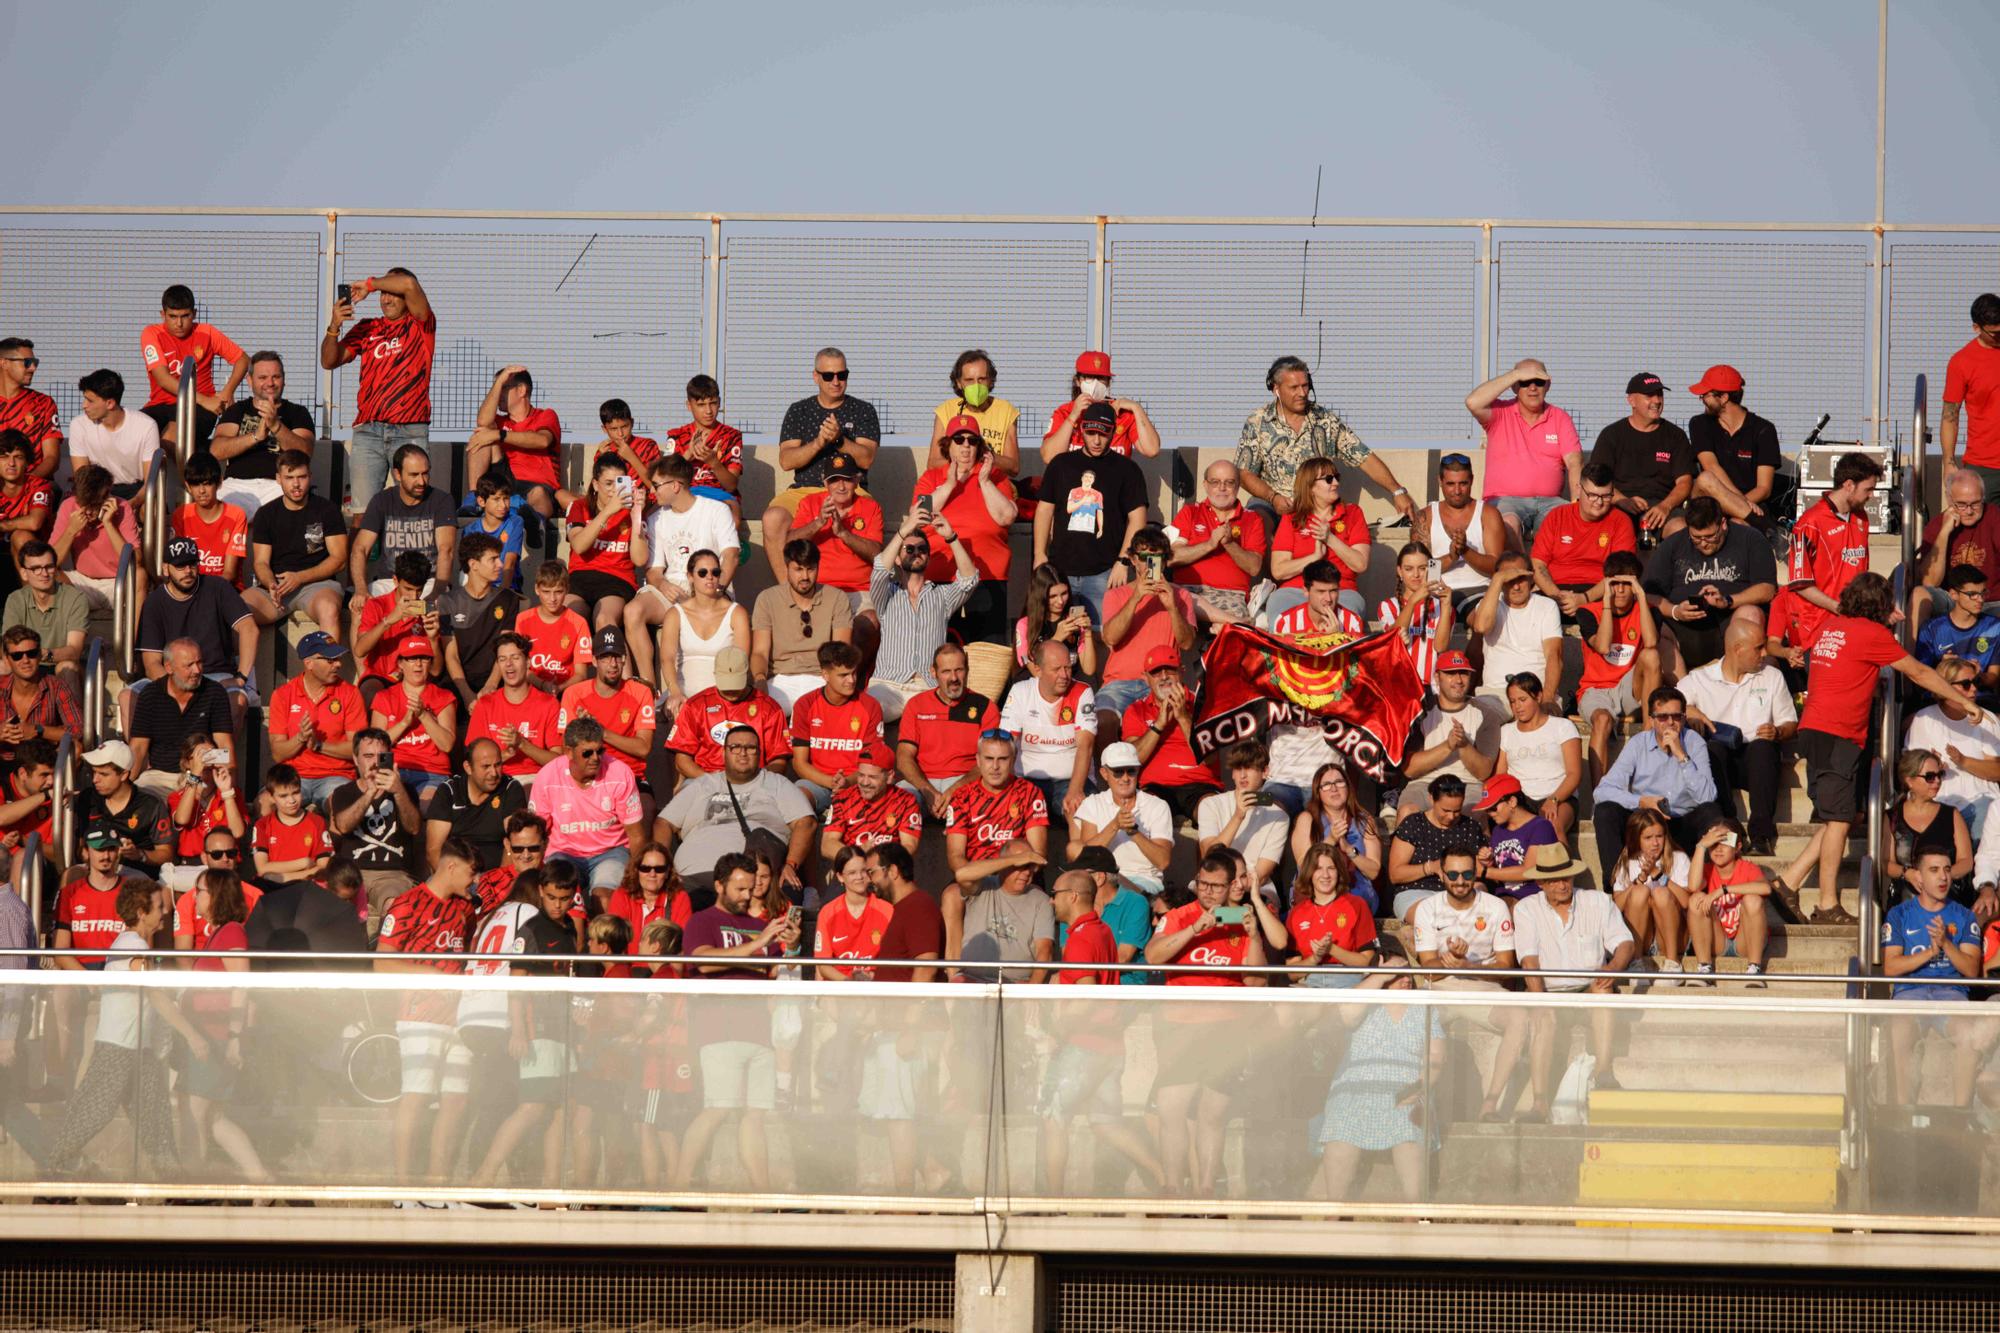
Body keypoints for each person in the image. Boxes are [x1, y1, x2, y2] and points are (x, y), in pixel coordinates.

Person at [1775, 573, 1974, 925]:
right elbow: (1917, 672)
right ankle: (1827, 904)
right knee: (1838, 820)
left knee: (1841, 816)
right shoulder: (1871, 634)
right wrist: (1963, 700)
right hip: (1839, 735)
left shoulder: (1829, 627)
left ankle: (1788, 882)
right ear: (1880, 608)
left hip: (1814, 730)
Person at [1144, 850, 1276, 1196]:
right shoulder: (1178, 916)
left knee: (1212, 1113)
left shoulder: (1241, 918)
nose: (1208, 892)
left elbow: (1257, 982)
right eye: (1203, 884)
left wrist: (1253, 936)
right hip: (1180, 1027)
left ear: (1231, 885)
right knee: (1171, 1107)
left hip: (1226, 1029)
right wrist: (1193, 930)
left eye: (1216, 886)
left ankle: (1205, 1190)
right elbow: (1153, 956)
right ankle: (1173, 1188)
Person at [674, 852, 798, 1192]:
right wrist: (757, 946)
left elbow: (774, 972)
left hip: (758, 1030)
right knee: (717, 1109)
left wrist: (793, 946)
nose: (748, 895)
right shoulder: (702, 920)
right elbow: (702, 962)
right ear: (719, 885)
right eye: (740, 888)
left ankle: (763, 1192)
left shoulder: (760, 926)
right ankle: (679, 1187)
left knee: (756, 1114)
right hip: (718, 1031)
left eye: (751, 887)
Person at [47, 879, 187, 1179]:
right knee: (93, 1111)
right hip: (119, 1046)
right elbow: (155, 996)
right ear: (141, 912)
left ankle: (176, 1183)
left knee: (154, 1117)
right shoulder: (134, 948)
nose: (164, 913)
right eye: (159, 907)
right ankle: (56, 1172)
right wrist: (192, 1034)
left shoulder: (135, 946)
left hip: (140, 1048)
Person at [1039, 867, 1166, 1194]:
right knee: (1106, 1122)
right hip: (1109, 1047)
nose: (1051, 901)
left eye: (1055, 894)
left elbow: (1087, 995)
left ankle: (1053, 1201)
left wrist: (1058, 1027)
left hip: (1084, 1046)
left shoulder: (1081, 938)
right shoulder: (1103, 931)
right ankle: (1166, 1179)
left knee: (1054, 1119)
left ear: (1073, 896)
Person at [374, 836, 477, 1193]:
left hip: (458, 1016)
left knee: (455, 1100)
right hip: (419, 1014)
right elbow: (381, 964)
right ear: (450, 866)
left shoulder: (466, 909)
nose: (473, 880)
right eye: (470, 872)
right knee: (416, 1097)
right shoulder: (408, 904)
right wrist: (430, 975)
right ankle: (403, 1189)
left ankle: (437, 1186)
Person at [1312, 943, 1444, 1203]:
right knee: (1342, 1120)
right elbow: (1344, 1014)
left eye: (1406, 972)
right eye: (1396, 974)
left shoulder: (1425, 1008)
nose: (1405, 979)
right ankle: (1334, 1209)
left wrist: (1419, 1087)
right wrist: (1380, 977)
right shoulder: (1364, 1002)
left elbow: (1436, 1057)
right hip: (1355, 1085)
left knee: (1410, 1120)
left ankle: (1413, 1210)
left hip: (1407, 1086)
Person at [1509, 845, 1635, 1110]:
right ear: (1541, 883)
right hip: (1551, 993)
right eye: (1554, 879)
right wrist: (1540, 1001)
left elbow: (1625, 943)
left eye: (1565, 876)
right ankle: (1540, 1101)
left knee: (1602, 989)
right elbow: (1529, 961)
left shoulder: (1598, 901)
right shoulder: (1526, 909)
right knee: (1544, 1017)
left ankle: (1603, 1072)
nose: (1562, 884)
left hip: (1589, 990)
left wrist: (1612, 969)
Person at [1236, 354, 1415, 527]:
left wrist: (1397, 491)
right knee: (1257, 522)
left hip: (1317, 504)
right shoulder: (1257, 421)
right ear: (1276, 389)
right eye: (1294, 387)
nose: (1302, 393)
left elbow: (1364, 457)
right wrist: (1273, 498)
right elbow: (1244, 474)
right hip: (1271, 503)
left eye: (1305, 386)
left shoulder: (1325, 420)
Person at [1678, 618, 1800, 856]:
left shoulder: (1772, 676)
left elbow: (1790, 722)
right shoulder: (1700, 678)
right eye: (1758, 648)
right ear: (1737, 649)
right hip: (1719, 761)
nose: (1764, 653)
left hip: (1758, 762)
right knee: (1713, 749)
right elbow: (1667, 705)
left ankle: (1761, 835)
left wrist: (1778, 732)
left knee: (1763, 747)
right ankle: (1729, 825)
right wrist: (1692, 712)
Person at [760, 347, 882, 584]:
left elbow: (867, 459)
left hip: (850, 488)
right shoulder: (799, 410)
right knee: (772, 518)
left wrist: (838, 439)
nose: (836, 381)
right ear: (816, 376)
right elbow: (786, 460)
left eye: (841, 375)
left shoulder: (863, 410)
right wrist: (818, 442)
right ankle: (790, 592)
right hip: (805, 490)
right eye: (828, 376)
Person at [323, 269, 436, 518]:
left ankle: (412, 559)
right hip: (368, 432)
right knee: (363, 514)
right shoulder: (368, 328)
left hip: (409, 429)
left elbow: (408, 283)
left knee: (415, 511)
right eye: (383, 294)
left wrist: (370, 284)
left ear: (407, 297)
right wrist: (334, 326)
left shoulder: (421, 323)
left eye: (392, 293)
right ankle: (361, 558)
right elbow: (329, 361)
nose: (385, 299)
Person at [1590, 687, 1722, 888]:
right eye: (1663, 717)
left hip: (1681, 823)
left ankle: (1708, 885)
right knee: (1605, 811)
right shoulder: (1638, 744)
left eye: (1676, 716)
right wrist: (1641, 802)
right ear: (1651, 720)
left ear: (1684, 718)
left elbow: (1708, 796)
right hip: (1645, 825)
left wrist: (1682, 756)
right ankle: (1615, 887)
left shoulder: (1694, 743)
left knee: (1711, 812)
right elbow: (1602, 791)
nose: (1670, 722)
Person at [1883, 848, 1986, 1105]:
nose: (1943, 877)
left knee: (1969, 1038)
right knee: (1899, 1032)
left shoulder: (1964, 915)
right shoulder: (1899, 914)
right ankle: (1904, 1111)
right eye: (1934, 870)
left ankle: (1960, 1114)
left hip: (1950, 993)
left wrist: (1946, 944)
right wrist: (1931, 951)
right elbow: (1891, 968)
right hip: (1910, 992)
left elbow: (1971, 969)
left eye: (1947, 870)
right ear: (1918, 876)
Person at [1033, 400, 1148, 625]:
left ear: (1114, 432)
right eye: (1091, 432)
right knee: (1056, 637)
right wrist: (1040, 555)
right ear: (1081, 428)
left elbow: (1138, 518)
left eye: (1103, 434)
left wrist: (1123, 561)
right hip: (1060, 571)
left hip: (1104, 572)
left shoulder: (1127, 469)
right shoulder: (1061, 464)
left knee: (1102, 635)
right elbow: (1045, 510)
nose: (1096, 440)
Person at [629, 456, 738, 687]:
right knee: (632, 611)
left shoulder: (716, 510)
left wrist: (715, 591)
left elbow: (730, 556)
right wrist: (663, 585)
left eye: (656, 485)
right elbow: (653, 570)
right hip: (672, 588)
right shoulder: (656, 518)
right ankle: (648, 689)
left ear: (675, 485)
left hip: (709, 584)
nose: (652, 491)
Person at [911, 418, 1018, 644]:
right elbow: (918, 516)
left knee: (986, 648)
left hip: (987, 575)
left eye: (972, 440)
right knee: (937, 645)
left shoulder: (994, 476)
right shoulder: (931, 477)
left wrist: (985, 481)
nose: (966, 446)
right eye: (959, 440)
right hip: (941, 575)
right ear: (948, 445)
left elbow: (1006, 516)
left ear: (979, 446)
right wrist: (950, 484)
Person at [1644, 496, 1779, 674]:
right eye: (1696, 538)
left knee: (1751, 613)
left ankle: (1736, 684)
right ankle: (1683, 690)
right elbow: (1647, 593)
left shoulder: (1750, 539)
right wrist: (1675, 611)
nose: (1703, 543)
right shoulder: (1674, 543)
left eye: (1709, 536)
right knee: (1653, 623)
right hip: (1683, 627)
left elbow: (1767, 589)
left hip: (1730, 622)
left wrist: (1728, 600)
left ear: (1723, 523)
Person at [867, 508, 978, 722]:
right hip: (888, 685)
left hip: (927, 685)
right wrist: (904, 530)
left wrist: (951, 537)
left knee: (945, 721)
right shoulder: (887, 594)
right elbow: (880, 569)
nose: (916, 552)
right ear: (898, 559)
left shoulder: (942, 596)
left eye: (922, 549)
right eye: (909, 549)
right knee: (868, 713)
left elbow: (969, 579)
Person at [1465, 358, 1582, 547]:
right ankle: (1524, 574)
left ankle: (1547, 575)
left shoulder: (1560, 418)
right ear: (1514, 386)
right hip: (1504, 501)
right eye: (1525, 382)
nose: (1532, 387)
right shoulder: (1500, 413)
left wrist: (1576, 504)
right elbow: (1472, 402)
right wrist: (1516, 375)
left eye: (1538, 381)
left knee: (1566, 522)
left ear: (1548, 385)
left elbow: (1575, 463)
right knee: (1508, 524)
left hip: (1549, 502)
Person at [532, 717, 647, 896]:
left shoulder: (620, 772)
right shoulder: (547, 777)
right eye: (587, 753)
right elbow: (536, 831)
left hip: (611, 852)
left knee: (604, 896)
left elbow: (636, 835)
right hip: (564, 852)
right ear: (568, 752)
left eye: (600, 751)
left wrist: (635, 876)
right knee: (558, 893)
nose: (596, 758)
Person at [1097, 526, 1198, 722]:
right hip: (1121, 683)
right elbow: (1110, 638)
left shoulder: (1181, 596)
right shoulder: (1116, 595)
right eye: (1145, 558)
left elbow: (1186, 644)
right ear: (1134, 560)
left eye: (1158, 559)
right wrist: (1136, 598)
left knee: (1188, 720)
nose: (1151, 564)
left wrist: (1172, 608)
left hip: (1163, 681)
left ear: (1165, 562)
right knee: (1103, 720)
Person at [249, 450, 348, 641]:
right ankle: (239, 671)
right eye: (289, 477)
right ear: (278, 479)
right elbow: (261, 562)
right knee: (238, 611)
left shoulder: (327, 510)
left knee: (329, 609)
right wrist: (270, 583)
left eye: (301, 477)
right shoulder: (266, 513)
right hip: (276, 587)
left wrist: (299, 577)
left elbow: (339, 560)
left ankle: (327, 667)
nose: (296, 484)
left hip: (317, 585)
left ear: (310, 476)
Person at [1576, 554, 1660, 779]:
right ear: (1606, 584)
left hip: (1629, 688)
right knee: (1602, 720)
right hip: (1596, 689)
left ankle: (1647, 737)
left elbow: (1651, 643)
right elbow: (1603, 646)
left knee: (1651, 656)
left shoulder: (1649, 610)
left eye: (1627, 584)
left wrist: (1641, 597)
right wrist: (1606, 604)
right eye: (1615, 583)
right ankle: (1599, 799)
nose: (1621, 590)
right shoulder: (1587, 612)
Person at [327, 729, 422, 929]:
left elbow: (414, 828)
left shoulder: (405, 791)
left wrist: (397, 791)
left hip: (392, 874)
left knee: (393, 906)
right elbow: (343, 825)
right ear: (355, 759)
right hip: (351, 873)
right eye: (368, 756)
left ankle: (384, 954)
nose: (374, 763)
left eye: (381, 757)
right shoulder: (343, 792)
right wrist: (370, 792)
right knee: (333, 906)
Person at [1000, 639, 1097, 829]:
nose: (1064, 675)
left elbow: (1086, 746)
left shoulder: (1082, 691)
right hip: (1026, 780)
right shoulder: (1021, 692)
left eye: (1068, 668)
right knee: (1010, 813)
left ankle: (1083, 858)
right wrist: (1006, 789)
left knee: (1080, 812)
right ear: (1038, 670)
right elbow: (1006, 744)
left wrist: (1075, 791)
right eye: (1056, 669)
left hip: (1071, 779)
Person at [1587, 372, 1695, 540]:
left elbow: (1684, 481)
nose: (1657, 401)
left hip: (1662, 507)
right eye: (1649, 395)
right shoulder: (1612, 435)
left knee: (1681, 529)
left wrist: (1665, 507)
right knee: (1608, 533)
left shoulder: (1676, 436)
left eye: (1659, 394)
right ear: (1631, 400)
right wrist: (1623, 501)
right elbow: (1597, 480)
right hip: (1620, 506)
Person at [209, 351, 315, 521]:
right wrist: (255, 437)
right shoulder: (237, 410)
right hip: (237, 485)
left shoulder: (297, 412)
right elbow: (217, 450)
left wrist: (276, 426)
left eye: (276, 377)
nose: (270, 383)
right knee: (217, 513)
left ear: (284, 379)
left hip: (280, 485)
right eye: (263, 377)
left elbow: (305, 452)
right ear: (250, 381)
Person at [750, 539, 854, 713]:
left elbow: (841, 653)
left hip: (822, 678)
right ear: (787, 567)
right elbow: (760, 652)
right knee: (757, 711)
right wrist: (760, 680)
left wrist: (833, 685)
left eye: (810, 569)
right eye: (798, 569)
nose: (805, 577)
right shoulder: (767, 599)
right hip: (780, 679)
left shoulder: (836, 598)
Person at [894, 643, 998, 815]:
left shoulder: (985, 707)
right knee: (895, 805)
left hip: (964, 782)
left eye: (959, 670)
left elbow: (988, 761)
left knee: (983, 804)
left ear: (968, 669)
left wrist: (955, 789)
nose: (954, 678)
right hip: (922, 782)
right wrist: (927, 790)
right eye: (946, 671)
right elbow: (904, 756)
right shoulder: (916, 705)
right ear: (933, 672)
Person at [266, 631, 366, 807]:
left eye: (338, 659)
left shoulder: (350, 693)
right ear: (309, 663)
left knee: (342, 806)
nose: (338, 664)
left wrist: (319, 745)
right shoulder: (282, 695)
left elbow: (358, 748)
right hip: (292, 776)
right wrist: (300, 738)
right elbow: (277, 753)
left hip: (336, 775)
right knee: (266, 804)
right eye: (330, 660)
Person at [1124, 645, 1221, 825]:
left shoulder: (1204, 704)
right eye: (1156, 673)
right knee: (1147, 814)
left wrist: (1183, 716)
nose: (1164, 677)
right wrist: (1159, 724)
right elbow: (1131, 759)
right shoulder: (1136, 710)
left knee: (1212, 815)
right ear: (1146, 679)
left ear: (1182, 672)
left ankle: (1212, 853)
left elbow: (1210, 757)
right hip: (1155, 787)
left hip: (1201, 785)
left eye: (1170, 670)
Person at [1268, 457, 1372, 623]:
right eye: (1329, 479)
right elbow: (1278, 571)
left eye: (1337, 477)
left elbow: (1360, 564)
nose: (1336, 483)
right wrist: (1314, 557)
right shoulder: (1292, 518)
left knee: (1344, 622)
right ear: (1310, 487)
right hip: (1297, 590)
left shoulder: (1352, 513)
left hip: (1340, 591)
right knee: (1280, 611)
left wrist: (1330, 539)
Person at [664, 646, 790, 783]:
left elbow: (779, 760)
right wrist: (712, 781)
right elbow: (682, 760)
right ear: (715, 674)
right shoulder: (696, 705)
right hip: (704, 779)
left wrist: (755, 782)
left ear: (747, 674)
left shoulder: (769, 708)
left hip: (755, 781)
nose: (731, 691)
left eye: (736, 684)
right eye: (726, 685)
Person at [1395, 650, 1499, 816]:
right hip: (1424, 783)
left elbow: (1484, 772)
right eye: (1451, 673)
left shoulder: (1486, 714)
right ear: (1437, 677)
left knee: (1473, 814)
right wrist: (1448, 746)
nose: (1458, 680)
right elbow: (1409, 769)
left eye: (1464, 673)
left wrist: (1464, 745)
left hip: (1468, 785)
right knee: (1408, 811)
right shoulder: (1420, 711)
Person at [1067, 742, 1174, 899]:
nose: (1125, 778)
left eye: (1131, 771)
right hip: (1102, 880)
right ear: (1104, 773)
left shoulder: (1157, 806)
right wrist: (1115, 825)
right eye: (1118, 772)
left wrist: (1133, 832)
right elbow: (1087, 856)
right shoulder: (1093, 804)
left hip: (1144, 882)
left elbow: (1163, 861)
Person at [556, 627, 657, 793]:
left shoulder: (641, 692)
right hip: (588, 777)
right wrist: (583, 732)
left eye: (617, 657)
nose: (613, 664)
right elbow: (566, 749)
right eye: (605, 658)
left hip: (630, 776)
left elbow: (643, 748)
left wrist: (600, 731)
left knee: (648, 809)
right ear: (594, 661)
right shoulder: (574, 694)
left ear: (625, 660)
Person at [130, 639, 235, 799]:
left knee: (195, 801)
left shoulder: (214, 693)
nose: (197, 670)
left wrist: (229, 788)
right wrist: (126, 787)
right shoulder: (150, 695)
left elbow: (225, 746)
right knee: (140, 798)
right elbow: (138, 748)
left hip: (201, 773)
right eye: (189, 665)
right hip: (159, 776)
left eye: (199, 662)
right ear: (169, 668)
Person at [788, 641, 886, 812]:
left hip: (859, 782)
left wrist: (847, 782)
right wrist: (831, 781)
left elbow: (874, 762)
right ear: (825, 674)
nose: (852, 680)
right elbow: (799, 763)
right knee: (796, 801)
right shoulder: (805, 705)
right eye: (844, 675)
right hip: (816, 782)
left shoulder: (870, 706)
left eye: (854, 673)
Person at [944, 731, 1052, 885]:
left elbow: (1038, 854)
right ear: (978, 760)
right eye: (989, 759)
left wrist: (1011, 877)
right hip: (977, 878)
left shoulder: (1030, 792)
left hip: (1019, 876)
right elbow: (955, 857)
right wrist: (978, 874)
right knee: (951, 897)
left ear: (1013, 760)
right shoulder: (962, 797)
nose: (995, 766)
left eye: (1002, 759)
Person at [350, 442, 456, 597]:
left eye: (425, 473)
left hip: (428, 581)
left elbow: (446, 550)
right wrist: (360, 590)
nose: (422, 481)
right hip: (389, 581)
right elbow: (360, 548)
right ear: (397, 474)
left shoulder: (442, 500)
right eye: (414, 475)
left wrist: (436, 593)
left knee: (426, 612)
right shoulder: (382, 500)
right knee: (360, 608)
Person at [656, 547, 749, 720]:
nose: (710, 577)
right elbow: (667, 658)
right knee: (679, 710)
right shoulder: (675, 614)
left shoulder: (737, 613)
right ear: (690, 576)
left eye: (715, 572)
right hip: (683, 693)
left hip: (725, 693)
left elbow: (740, 660)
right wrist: (675, 692)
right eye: (702, 572)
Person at [945, 836, 1055, 983]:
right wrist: (1013, 860)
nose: (1027, 872)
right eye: (1020, 866)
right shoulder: (982, 886)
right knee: (958, 983)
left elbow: (1045, 951)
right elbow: (961, 874)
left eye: (1029, 866)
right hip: (972, 979)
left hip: (1017, 984)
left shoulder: (1041, 900)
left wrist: (1031, 991)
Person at [1530, 464, 1636, 615]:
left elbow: (1621, 572)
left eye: (1606, 496)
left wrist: (1584, 598)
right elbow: (1538, 565)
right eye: (1592, 495)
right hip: (1556, 590)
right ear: (1579, 489)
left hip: (1599, 592)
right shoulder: (1557, 516)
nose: (1599, 502)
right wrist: (1559, 597)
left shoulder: (1621, 521)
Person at [1169, 459, 1264, 625]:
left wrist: (1229, 544)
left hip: (1231, 595)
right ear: (1205, 485)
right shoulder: (1189, 512)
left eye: (1229, 482)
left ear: (1238, 485)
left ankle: (1224, 623)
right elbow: (1170, 558)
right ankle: (1232, 622)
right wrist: (1210, 544)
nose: (1222, 488)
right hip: (1188, 590)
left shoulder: (1252, 518)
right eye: (1215, 482)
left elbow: (1254, 567)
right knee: (1173, 600)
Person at [1687, 365, 1785, 524]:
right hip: (1712, 501)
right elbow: (1711, 466)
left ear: (1724, 397)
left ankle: (1772, 537)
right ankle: (1765, 529)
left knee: (1739, 526)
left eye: (1705, 395)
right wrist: (1740, 503)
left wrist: (1738, 508)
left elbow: (1764, 488)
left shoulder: (1764, 430)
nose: (1702, 399)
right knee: (1705, 479)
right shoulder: (1699, 424)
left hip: (1750, 503)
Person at [466, 633, 563, 793]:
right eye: (502, 659)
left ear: (528, 662)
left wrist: (522, 744)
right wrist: (503, 755)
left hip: (537, 779)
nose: (509, 664)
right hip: (495, 779)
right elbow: (473, 761)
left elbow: (558, 761)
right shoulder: (485, 704)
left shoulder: (549, 704)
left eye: (515, 658)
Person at [1885, 750, 1980, 914]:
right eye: (1929, 777)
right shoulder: (1892, 817)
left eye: (1940, 774)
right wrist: (1908, 874)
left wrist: (1941, 878)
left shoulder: (1951, 814)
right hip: (1906, 904)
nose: (1937, 781)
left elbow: (1966, 861)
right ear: (1910, 781)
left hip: (1948, 902)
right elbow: (1886, 863)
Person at [1417, 452, 1508, 620]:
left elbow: (1496, 566)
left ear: (1472, 480)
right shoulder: (1425, 517)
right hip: (1436, 592)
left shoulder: (1488, 514)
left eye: (1463, 484)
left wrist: (1466, 551)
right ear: (1440, 481)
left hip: (1480, 591)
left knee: (1482, 620)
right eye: (1450, 484)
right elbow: (1420, 570)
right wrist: (1452, 557)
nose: (1457, 491)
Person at [1493, 670, 1582, 842]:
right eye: (1512, 702)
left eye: (1523, 700)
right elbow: (1501, 776)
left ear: (1538, 697)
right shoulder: (1506, 731)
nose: (1517, 707)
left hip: (1559, 796)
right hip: (1519, 800)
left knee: (1551, 826)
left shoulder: (1563, 726)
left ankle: (1564, 868)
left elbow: (1574, 774)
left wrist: (1553, 799)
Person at [564, 454, 647, 634]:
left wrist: (637, 515)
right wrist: (608, 511)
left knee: (604, 620)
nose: (613, 490)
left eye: (618, 483)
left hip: (617, 579)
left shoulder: (631, 511)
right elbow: (579, 545)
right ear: (595, 484)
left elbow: (640, 560)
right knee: (568, 619)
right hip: (580, 577)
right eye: (608, 484)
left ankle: (615, 661)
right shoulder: (579, 506)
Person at [369, 636, 458, 805]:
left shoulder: (443, 697)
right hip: (395, 769)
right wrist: (404, 723)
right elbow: (375, 747)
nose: (418, 664)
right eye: (411, 658)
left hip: (433, 772)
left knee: (427, 808)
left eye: (424, 658)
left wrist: (423, 715)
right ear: (400, 664)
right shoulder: (384, 697)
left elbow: (447, 744)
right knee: (385, 807)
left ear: (430, 663)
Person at [1683, 818, 1771, 986]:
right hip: (1718, 940)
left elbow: (1765, 889)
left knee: (1753, 900)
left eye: (1725, 842)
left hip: (1746, 941)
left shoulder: (1746, 867)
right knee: (1696, 899)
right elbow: (1693, 886)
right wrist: (1701, 846)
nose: (1718, 849)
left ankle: (1754, 969)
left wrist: (1723, 890)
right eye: (1714, 843)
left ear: (1738, 847)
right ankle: (1704, 968)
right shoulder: (1707, 870)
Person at [1467, 553, 1562, 709]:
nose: (1516, 586)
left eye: (1521, 579)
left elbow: (1554, 656)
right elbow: (1481, 627)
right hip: (1495, 693)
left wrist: (1547, 698)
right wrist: (1497, 580)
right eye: (1509, 580)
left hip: (1536, 693)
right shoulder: (1489, 604)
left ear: (1532, 578)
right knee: (1482, 721)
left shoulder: (1547, 606)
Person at [1287, 760, 1383, 912]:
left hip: (1356, 892)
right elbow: (1303, 866)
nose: (1333, 788)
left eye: (1339, 782)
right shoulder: (1307, 819)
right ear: (1318, 791)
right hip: (1317, 891)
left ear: (1348, 787)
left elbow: (1373, 871)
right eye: (1326, 784)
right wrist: (1330, 840)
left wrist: (1350, 850)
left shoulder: (1365, 820)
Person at [436, 531, 521, 703]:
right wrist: (467, 695)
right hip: (458, 682)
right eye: (493, 559)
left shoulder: (508, 599)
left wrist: (491, 685)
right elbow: (451, 655)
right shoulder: (448, 601)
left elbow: (504, 648)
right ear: (474, 564)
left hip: (495, 680)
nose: (500, 564)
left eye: (500, 558)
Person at [1911, 469, 2000, 632]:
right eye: (1961, 504)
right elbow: (1930, 582)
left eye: (1975, 503)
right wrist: (1944, 532)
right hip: (1952, 600)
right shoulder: (1936, 526)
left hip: (1991, 600)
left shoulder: (1995, 517)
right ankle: (1911, 656)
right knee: (1919, 595)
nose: (1969, 510)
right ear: (1950, 501)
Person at [467, 365, 561, 519]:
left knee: (539, 494)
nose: (498, 395)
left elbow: (542, 440)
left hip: (537, 485)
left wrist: (500, 435)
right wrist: (498, 383)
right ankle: (473, 498)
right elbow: (482, 421)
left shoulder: (545, 415)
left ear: (522, 390)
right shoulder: (499, 421)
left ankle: (535, 523)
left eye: (504, 388)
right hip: (505, 481)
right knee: (481, 437)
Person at [1386, 775, 1487, 919]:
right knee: (1429, 917)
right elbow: (1395, 874)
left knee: (1481, 896)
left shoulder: (1469, 827)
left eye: (1457, 811)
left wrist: (1485, 860)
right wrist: (1430, 867)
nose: (1451, 817)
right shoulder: (1414, 824)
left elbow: (1480, 871)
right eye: (1445, 810)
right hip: (1416, 892)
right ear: (1431, 799)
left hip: (1461, 890)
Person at [422, 737, 526, 874]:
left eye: (498, 765)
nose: (494, 773)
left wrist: (498, 882)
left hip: (496, 878)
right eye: (486, 766)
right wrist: (456, 883)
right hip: (453, 877)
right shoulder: (449, 791)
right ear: (468, 768)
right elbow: (433, 850)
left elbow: (515, 843)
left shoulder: (510, 789)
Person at [1040, 349, 1161, 463]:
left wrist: (1136, 408)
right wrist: (1073, 416)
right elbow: (1049, 457)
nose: (1095, 383)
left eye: (1100, 378)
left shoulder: (1122, 413)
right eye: (1089, 377)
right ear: (1078, 381)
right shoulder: (1064, 412)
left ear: (1108, 382)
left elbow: (1152, 450)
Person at [1286, 841, 1380, 987]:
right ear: (1309, 873)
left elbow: (1366, 961)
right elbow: (1291, 973)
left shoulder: (1356, 905)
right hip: (1309, 980)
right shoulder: (1297, 913)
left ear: (1339, 872)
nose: (1325, 875)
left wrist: (1332, 949)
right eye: (1318, 868)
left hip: (1348, 979)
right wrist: (1315, 958)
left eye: (1331, 868)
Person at [51, 463, 139, 611]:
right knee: (46, 573)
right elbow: (50, 561)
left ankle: (138, 634)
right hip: (82, 582)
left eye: (94, 505)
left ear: (108, 495)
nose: (89, 512)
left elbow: (136, 561)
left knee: (141, 575)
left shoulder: (123, 507)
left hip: (117, 582)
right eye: (84, 505)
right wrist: (71, 531)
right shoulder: (68, 506)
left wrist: (109, 524)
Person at [68, 369, 161, 502]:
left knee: (152, 511)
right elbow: (82, 479)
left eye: (90, 401)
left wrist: (131, 505)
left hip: (137, 491)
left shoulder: (146, 425)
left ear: (110, 403)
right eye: (84, 399)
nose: (84, 405)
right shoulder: (78, 425)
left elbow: (150, 483)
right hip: (98, 491)